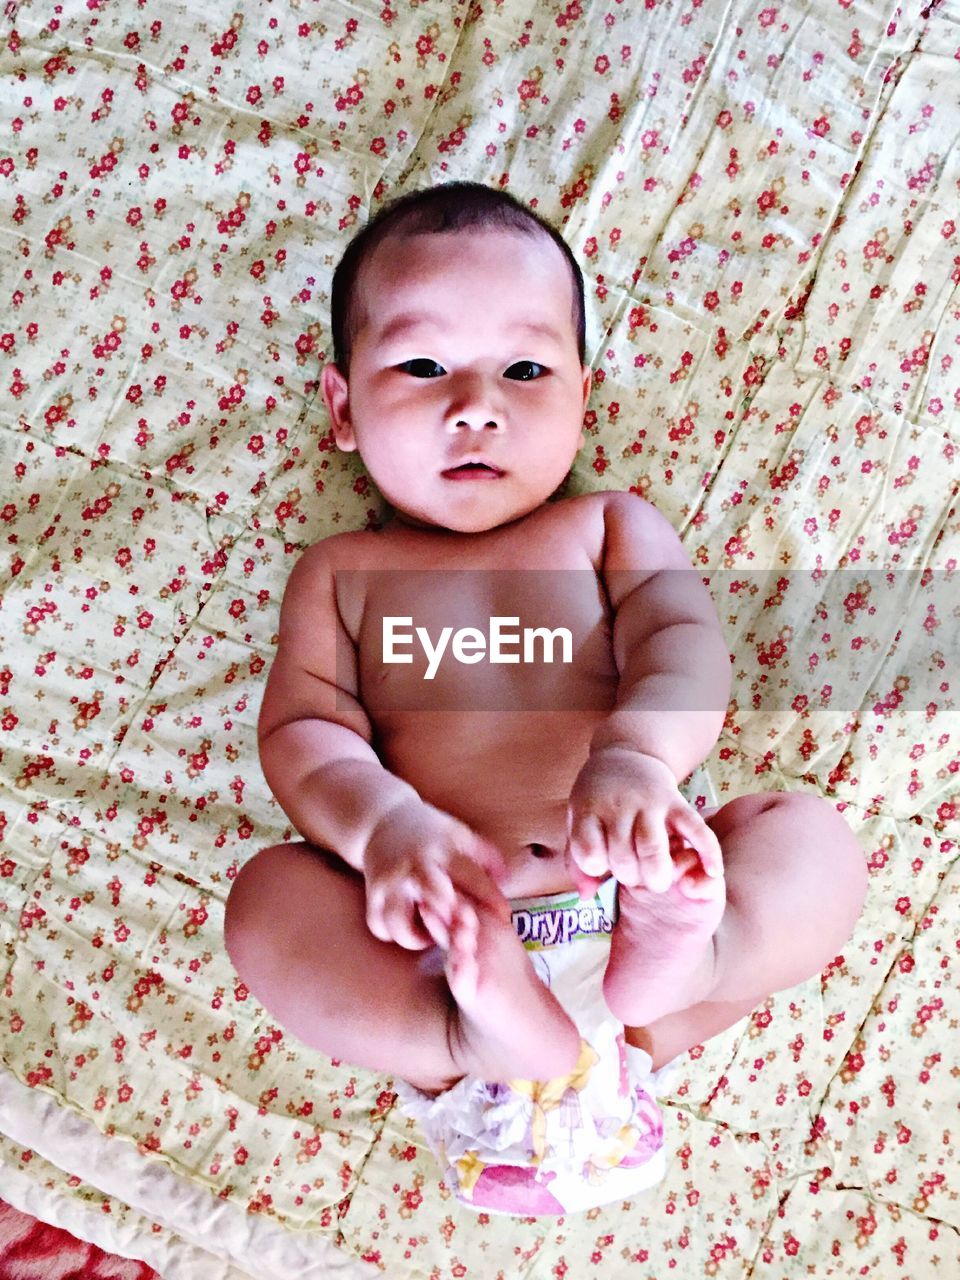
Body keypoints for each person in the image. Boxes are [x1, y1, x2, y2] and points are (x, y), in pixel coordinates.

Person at [224, 182, 867, 1215]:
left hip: (635, 914)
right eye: (422, 364)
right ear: (342, 407)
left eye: (525, 368)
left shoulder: (607, 530)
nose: (476, 404)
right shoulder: (343, 573)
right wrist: (387, 826)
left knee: (816, 842)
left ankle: (695, 954)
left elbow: (684, 647)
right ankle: (461, 1034)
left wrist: (638, 760)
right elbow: (307, 732)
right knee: (267, 901)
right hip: (444, 945)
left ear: (582, 395)